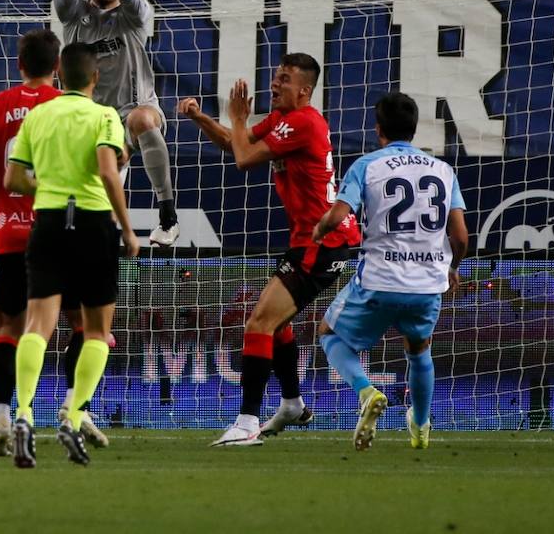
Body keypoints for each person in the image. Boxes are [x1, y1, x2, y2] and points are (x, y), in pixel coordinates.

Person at [179, 53, 361, 447]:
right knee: (275, 324)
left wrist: (239, 115)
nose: (275, 83)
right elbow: (235, 143)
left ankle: (247, 423)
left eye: (284, 79)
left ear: (304, 90)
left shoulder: (303, 122)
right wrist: (201, 118)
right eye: (275, 76)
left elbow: (243, 158)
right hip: (309, 239)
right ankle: (292, 403)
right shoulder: (283, 120)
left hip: (322, 241)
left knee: (259, 323)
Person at [4, 42, 140, 469]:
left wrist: (44, 189)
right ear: (95, 79)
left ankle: (23, 412)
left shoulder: (38, 115)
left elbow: (12, 177)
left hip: (46, 224)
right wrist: (128, 228)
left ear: (60, 74)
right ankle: (75, 414)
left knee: (37, 325)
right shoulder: (104, 116)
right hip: (94, 224)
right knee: (97, 331)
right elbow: (105, 169)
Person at [315, 92, 468, 451]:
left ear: (378, 128)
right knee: (419, 348)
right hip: (427, 280)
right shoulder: (443, 171)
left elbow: (339, 214)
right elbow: (460, 235)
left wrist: (320, 229)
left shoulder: (368, 165)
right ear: (414, 130)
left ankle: (366, 391)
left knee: (328, 333)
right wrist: (452, 268)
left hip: (379, 278)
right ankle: (420, 426)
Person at [0, 28, 79, 457]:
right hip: (58, 234)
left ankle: (3, 414)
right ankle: (73, 409)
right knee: (84, 326)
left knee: (10, 329)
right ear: (57, 67)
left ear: (20, 65)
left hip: (8, 236)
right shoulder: (67, 107)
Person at [54, 0, 177, 246]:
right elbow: (62, 0)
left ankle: (168, 214)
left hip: (132, 111)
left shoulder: (135, 15)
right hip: (92, 120)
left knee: (144, 119)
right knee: (95, 216)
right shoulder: (75, 14)